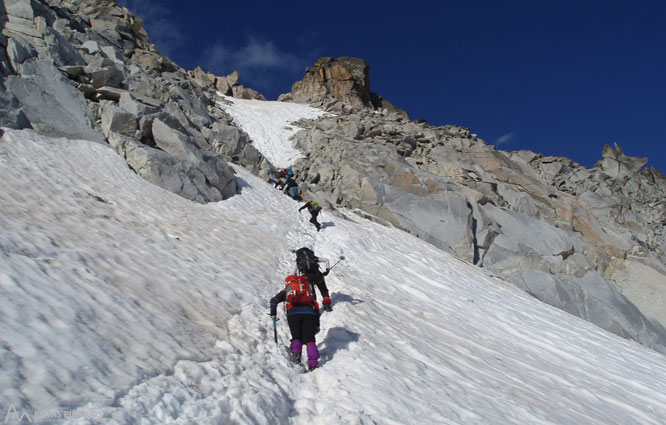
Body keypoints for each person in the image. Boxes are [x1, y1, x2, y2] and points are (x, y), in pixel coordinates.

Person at [270, 275, 320, 371]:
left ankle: (296, 358)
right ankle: (313, 364)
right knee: (310, 339)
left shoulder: (287, 291)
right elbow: (315, 306)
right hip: (309, 313)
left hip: (293, 314)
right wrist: (316, 322)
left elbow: (274, 301)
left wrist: (273, 314)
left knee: (296, 337)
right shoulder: (306, 290)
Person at [295, 247, 333, 312]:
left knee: (312, 294)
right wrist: (327, 269)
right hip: (317, 275)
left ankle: (315, 309)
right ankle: (327, 305)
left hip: (307, 278)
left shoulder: (298, 261)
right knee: (324, 290)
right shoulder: (313, 257)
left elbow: (292, 273)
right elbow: (326, 260)